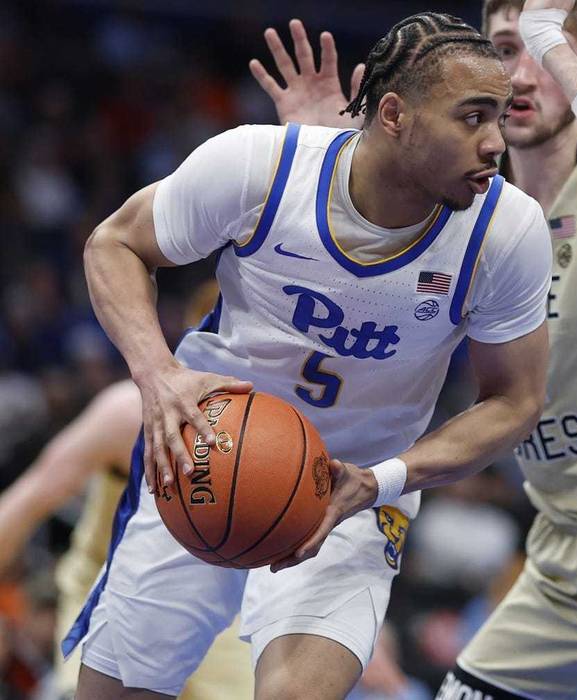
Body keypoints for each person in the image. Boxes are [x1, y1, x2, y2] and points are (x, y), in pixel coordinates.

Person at [252, 1, 577, 697]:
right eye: (503, 49)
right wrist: (333, 162)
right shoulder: (468, 219)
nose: (520, 74)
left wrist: (548, 45)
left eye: (543, 52)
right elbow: (352, 303)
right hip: (561, 563)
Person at [65, 12, 551, 699]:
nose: (495, 142)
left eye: (499, 117)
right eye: (472, 117)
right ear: (393, 114)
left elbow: (516, 401)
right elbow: (114, 244)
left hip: (350, 492)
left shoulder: (505, 231)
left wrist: (383, 480)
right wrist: (158, 374)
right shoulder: (262, 165)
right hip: (206, 456)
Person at [0, 286, 252, 700]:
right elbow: (30, 499)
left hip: (223, 628)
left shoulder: (286, 440)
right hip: (113, 608)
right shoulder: (128, 411)